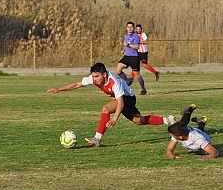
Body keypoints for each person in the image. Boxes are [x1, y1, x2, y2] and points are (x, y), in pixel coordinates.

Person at [47, 62, 176, 147]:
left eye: (97, 76)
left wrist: (114, 119)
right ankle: (168, 120)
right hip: (124, 99)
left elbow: (120, 103)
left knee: (106, 109)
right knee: (138, 120)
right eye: (93, 76)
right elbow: (77, 84)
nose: (95, 79)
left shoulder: (114, 83)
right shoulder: (95, 78)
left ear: (104, 74)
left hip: (128, 98)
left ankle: (97, 138)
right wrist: (59, 89)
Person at [116, 22, 147, 95]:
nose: (130, 28)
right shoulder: (126, 36)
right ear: (126, 28)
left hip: (134, 57)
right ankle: (128, 81)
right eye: (128, 27)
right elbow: (125, 45)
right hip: (127, 56)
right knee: (118, 70)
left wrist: (129, 45)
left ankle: (143, 89)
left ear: (133, 28)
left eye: (131, 27)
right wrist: (123, 50)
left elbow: (137, 47)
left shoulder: (136, 36)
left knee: (137, 75)